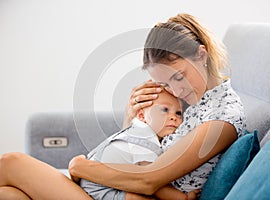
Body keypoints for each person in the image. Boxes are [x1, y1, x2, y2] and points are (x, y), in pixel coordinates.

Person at [0, 13, 245, 200]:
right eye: (164, 83)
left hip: (136, 194)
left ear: (201, 55)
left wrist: (81, 167)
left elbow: (149, 180)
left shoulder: (222, 118)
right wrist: (133, 121)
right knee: (10, 195)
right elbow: (144, 155)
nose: (176, 91)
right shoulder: (194, 103)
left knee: (11, 162)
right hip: (124, 191)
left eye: (178, 77)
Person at [80, 89, 200, 200]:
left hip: (100, 179)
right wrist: (183, 197)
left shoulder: (142, 134)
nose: (173, 117)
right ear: (142, 116)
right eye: (164, 110)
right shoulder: (144, 139)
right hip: (97, 186)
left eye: (178, 113)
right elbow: (153, 181)